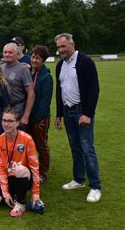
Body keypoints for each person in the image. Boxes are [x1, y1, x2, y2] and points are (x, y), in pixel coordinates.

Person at [54, 33, 101, 203]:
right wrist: (58, 114)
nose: (61, 50)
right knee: (75, 147)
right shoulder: (60, 65)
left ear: (72, 44)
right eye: (58, 47)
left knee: (88, 148)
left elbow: (94, 90)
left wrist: (88, 114)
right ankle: (79, 179)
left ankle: (95, 186)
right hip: (67, 112)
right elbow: (60, 91)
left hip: (82, 111)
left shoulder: (85, 62)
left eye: (63, 46)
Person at [0, 108, 42, 217]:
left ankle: (20, 203)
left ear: (17, 123)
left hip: (23, 176)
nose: (6, 124)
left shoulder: (27, 139)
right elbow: (1, 169)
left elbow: (35, 168)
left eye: (10, 121)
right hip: (8, 176)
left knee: (19, 169)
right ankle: (13, 196)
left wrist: (35, 193)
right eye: (4, 120)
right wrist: (5, 194)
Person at [28, 45, 53, 183]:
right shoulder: (29, 73)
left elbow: (45, 101)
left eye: (38, 58)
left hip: (40, 118)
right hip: (29, 116)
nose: (34, 60)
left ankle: (43, 171)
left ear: (43, 60)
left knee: (41, 144)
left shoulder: (46, 77)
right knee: (29, 144)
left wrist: (39, 118)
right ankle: (32, 168)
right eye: (33, 57)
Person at [1, 42, 35, 130]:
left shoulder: (23, 69)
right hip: (3, 109)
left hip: (17, 108)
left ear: (17, 54)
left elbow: (31, 93)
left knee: (17, 138)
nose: (7, 54)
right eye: (5, 52)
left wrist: (26, 115)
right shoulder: (0, 68)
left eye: (10, 52)